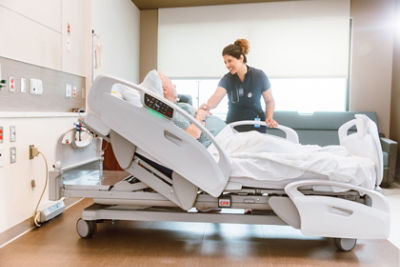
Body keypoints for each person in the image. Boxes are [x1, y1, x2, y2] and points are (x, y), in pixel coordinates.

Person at [200, 39, 277, 132]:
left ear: (241, 58)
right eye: (225, 62)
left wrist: (269, 117)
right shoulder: (227, 79)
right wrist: (207, 107)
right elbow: (216, 97)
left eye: (229, 61)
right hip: (234, 126)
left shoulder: (259, 75)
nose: (227, 65)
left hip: (256, 125)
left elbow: (269, 101)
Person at [159, 72, 226, 147]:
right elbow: (194, 133)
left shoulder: (177, 106)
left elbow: (193, 119)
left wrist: (200, 111)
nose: (175, 85)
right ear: (164, 90)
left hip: (222, 136)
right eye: (171, 83)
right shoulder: (170, 112)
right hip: (217, 142)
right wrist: (201, 115)